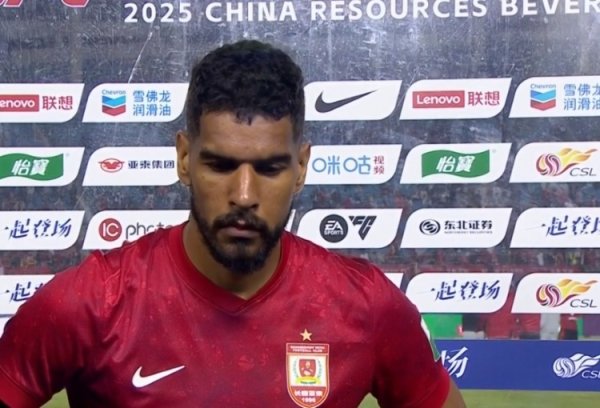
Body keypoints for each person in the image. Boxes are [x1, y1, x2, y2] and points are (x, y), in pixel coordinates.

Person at [0, 40, 466, 408]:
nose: (244, 196)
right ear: (185, 158)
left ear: (301, 167)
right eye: (221, 165)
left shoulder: (366, 307)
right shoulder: (90, 303)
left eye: (269, 168)